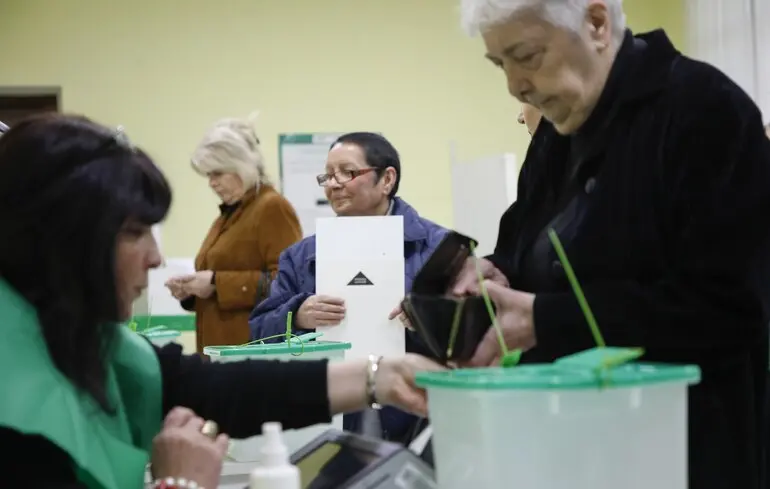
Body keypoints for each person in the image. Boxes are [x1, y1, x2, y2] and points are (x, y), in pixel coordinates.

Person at [0, 114, 443, 489]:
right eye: (134, 233)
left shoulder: (85, 339)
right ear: (61, 241)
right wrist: (178, 483)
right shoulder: (21, 425)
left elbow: (213, 387)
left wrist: (377, 377)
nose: (156, 258)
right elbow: (260, 326)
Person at [444, 1, 770, 488]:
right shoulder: (557, 135)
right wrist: (493, 271)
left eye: (527, 55)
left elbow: (728, 309)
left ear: (596, 24)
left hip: (681, 450)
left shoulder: (705, 112)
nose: (514, 85)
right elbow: (521, 247)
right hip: (569, 445)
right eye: (499, 64)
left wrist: (543, 318)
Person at [249, 132, 447, 444]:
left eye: (348, 172)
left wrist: (430, 318)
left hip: (419, 413)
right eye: (327, 175)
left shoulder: (437, 247)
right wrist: (297, 314)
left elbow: (476, 335)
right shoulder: (300, 257)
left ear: (387, 179)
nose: (333, 183)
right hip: (330, 412)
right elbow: (259, 331)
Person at [165, 115, 302, 352]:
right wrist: (192, 291)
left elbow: (289, 283)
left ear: (241, 166)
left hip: (251, 354)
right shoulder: (229, 215)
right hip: (220, 353)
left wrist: (217, 283)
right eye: (208, 175)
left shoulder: (271, 207)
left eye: (217, 173)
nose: (211, 183)